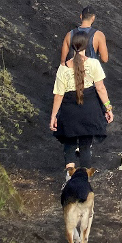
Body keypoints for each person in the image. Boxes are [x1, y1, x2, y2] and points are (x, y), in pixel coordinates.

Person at [50, 29, 113, 174]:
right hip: (89, 108)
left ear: (72, 46)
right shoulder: (94, 64)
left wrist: (54, 116)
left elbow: (58, 95)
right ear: (86, 46)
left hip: (69, 111)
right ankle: (84, 179)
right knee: (85, 145)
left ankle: (69, 178)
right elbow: (101, 88)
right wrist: (108, 108)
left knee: (69, 145)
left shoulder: (63, 68)